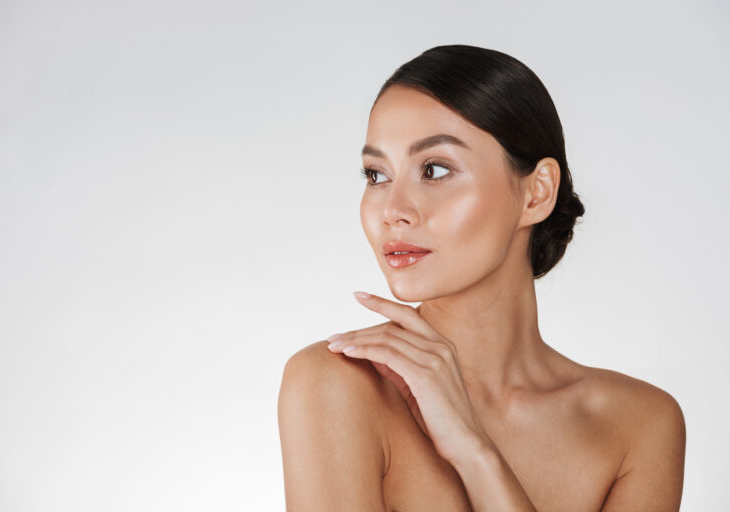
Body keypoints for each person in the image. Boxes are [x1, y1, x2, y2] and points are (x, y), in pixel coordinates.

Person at [277, 44, 686, 511]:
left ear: (536, 194)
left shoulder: (640, 425)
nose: (392, 211)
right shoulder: (336, 384)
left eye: (434, 169)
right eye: (376, 175)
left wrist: (475, 452)